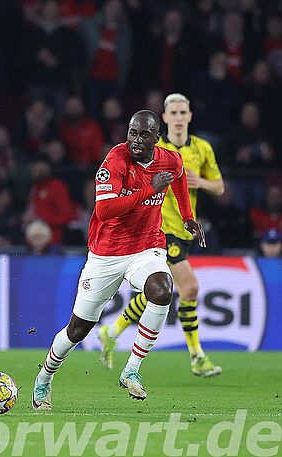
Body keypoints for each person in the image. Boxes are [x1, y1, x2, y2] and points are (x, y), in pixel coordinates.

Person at [31, 111, 204, 410]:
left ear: (156, 138)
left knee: (162, 290)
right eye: (132, 133)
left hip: (146, 247)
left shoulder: (170, 159)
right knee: (77, 330)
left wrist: (187, 217)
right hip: (106, 255)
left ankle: (132, 369)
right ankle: (44, 377)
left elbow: (177, 179)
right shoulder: (115, 160)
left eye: (144, 135)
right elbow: (105, 210)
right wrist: (150, 189)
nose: (136, 140)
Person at [99, 93, 225, 377]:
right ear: (164, 119)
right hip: (159, 231)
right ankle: (197, 355)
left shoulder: (202, 148)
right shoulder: (152, 148)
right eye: (173, 113)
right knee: (189, 288)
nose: (178, 118)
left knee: (158, 291)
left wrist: (200, 184)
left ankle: (112, 331)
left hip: (183, 231)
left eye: (183, 113)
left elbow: (219, 187)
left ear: (190, 116)